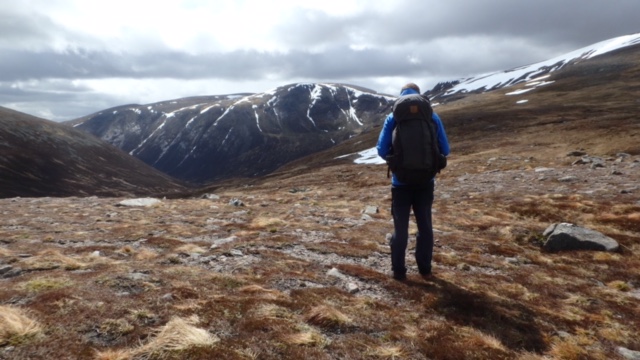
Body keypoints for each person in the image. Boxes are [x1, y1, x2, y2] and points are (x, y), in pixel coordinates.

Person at [376, 83, 450, 281]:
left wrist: (398, 161)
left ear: (401, 95)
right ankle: (425, 269)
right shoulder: (431, 116)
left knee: (400, 228)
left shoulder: (394, 117)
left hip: (400, 184)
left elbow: (382, 150)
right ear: (419, 94)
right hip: (426, 181)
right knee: (425, 225)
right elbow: (446, 149)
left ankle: (399, 272)